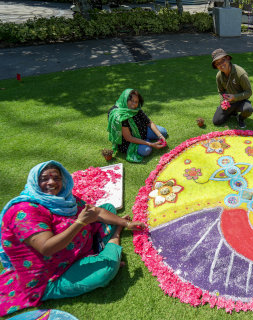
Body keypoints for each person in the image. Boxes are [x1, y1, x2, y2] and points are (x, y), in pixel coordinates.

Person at [0, 161, 146, 316]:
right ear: (34, 182)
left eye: (56, 178)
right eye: (44, 179)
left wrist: (127, 223)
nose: (51, 182)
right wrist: (80, 222)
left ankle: (103, 250)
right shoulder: (24, 211)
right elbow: (46, 248)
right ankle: (114, 238)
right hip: (52, 273)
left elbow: (96, 211)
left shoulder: (62, 197)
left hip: (78, 250)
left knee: (107, 208)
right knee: (105, 271)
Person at [107, 88, 168, 163]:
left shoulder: (136, 108)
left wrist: (160, 136)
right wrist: (151, 144)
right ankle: (146, 141)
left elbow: (149, 122)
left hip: (142, 130)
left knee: (163, 132)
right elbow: (128, 137)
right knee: (146, 150)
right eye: (131, 101)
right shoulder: (119, 116)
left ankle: (145, 139)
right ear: (125, 99)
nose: (134, 104)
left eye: (136, 102)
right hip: (128, 141)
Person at [211, 48, 253, 129]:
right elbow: (221, 91)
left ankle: (240, 118)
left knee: (248, 109)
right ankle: (232, 112)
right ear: (216, 66)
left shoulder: (240, 73)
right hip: (228, 103)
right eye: (217, 63)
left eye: (223, 60)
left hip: (241, 101)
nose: (221, 64)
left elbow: (249, 92)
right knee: (216, 121)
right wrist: (223, 101)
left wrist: (235, 97)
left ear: (228, 59)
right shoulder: (219, 76)